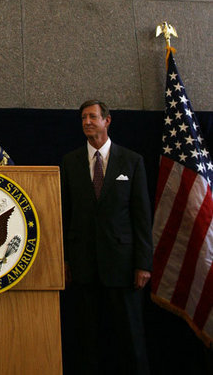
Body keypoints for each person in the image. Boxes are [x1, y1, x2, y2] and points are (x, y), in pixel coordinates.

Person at [61, 100, 152, 375]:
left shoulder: (132, 160)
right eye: (83, 118)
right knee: (87, 342)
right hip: (84, 268)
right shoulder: (69, 161)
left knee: (130, 339)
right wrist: (65, 260)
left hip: (123, 267)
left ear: (107, 121)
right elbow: (65, 215)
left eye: (92, 117)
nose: (87, 122)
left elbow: (141, 216)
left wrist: (144, 263)